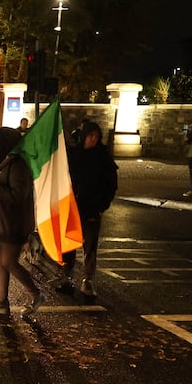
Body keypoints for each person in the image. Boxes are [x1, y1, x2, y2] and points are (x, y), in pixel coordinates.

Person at [0, 127, 45, 317]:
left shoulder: (18, 165)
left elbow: (18, 195)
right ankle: (2, 302)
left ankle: (36, 294)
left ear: (7, 143)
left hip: (13, 223)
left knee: (8, 262)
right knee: (0, 261)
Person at [59, 122, 118, 298]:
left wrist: (102, 205)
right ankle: (66, 277)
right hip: (72, 207)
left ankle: (88, 279)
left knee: (90, 245)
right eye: (90, 135)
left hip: (92, 208)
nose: (93, 139)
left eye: (96, 136)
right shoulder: (73, 155)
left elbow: (111, 184)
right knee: (69, 243)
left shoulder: (103, 157)